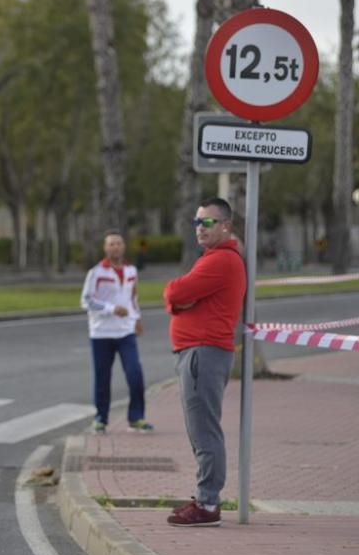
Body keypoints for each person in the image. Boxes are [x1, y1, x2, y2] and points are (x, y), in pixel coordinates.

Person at [163, 197, 246, 527]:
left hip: (204, 353)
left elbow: (174, 292)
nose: (200, 228)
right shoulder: (213, 259)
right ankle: (206, 497)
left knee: (204, 430)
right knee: (201, 430)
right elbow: (179, 298)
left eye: (207, 222)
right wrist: (179, 301)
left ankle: (209, 503)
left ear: (225, 225)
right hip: (200, 352)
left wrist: (177, 299)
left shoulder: (221, 261)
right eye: (197, 222)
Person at [80, 230, 153, 435]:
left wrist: (137, 319)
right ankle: (101, 419)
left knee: (135, 374)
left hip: (125, 332)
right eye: (111, 244)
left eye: (119, 243)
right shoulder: (96, 272)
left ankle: (136, 418)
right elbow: (86, 301)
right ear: (105, 248)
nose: (115, 247)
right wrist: (111, 309)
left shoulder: (131, 270)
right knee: (102, 378)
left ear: (124, 246)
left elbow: (133, 298)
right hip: (101, 333)